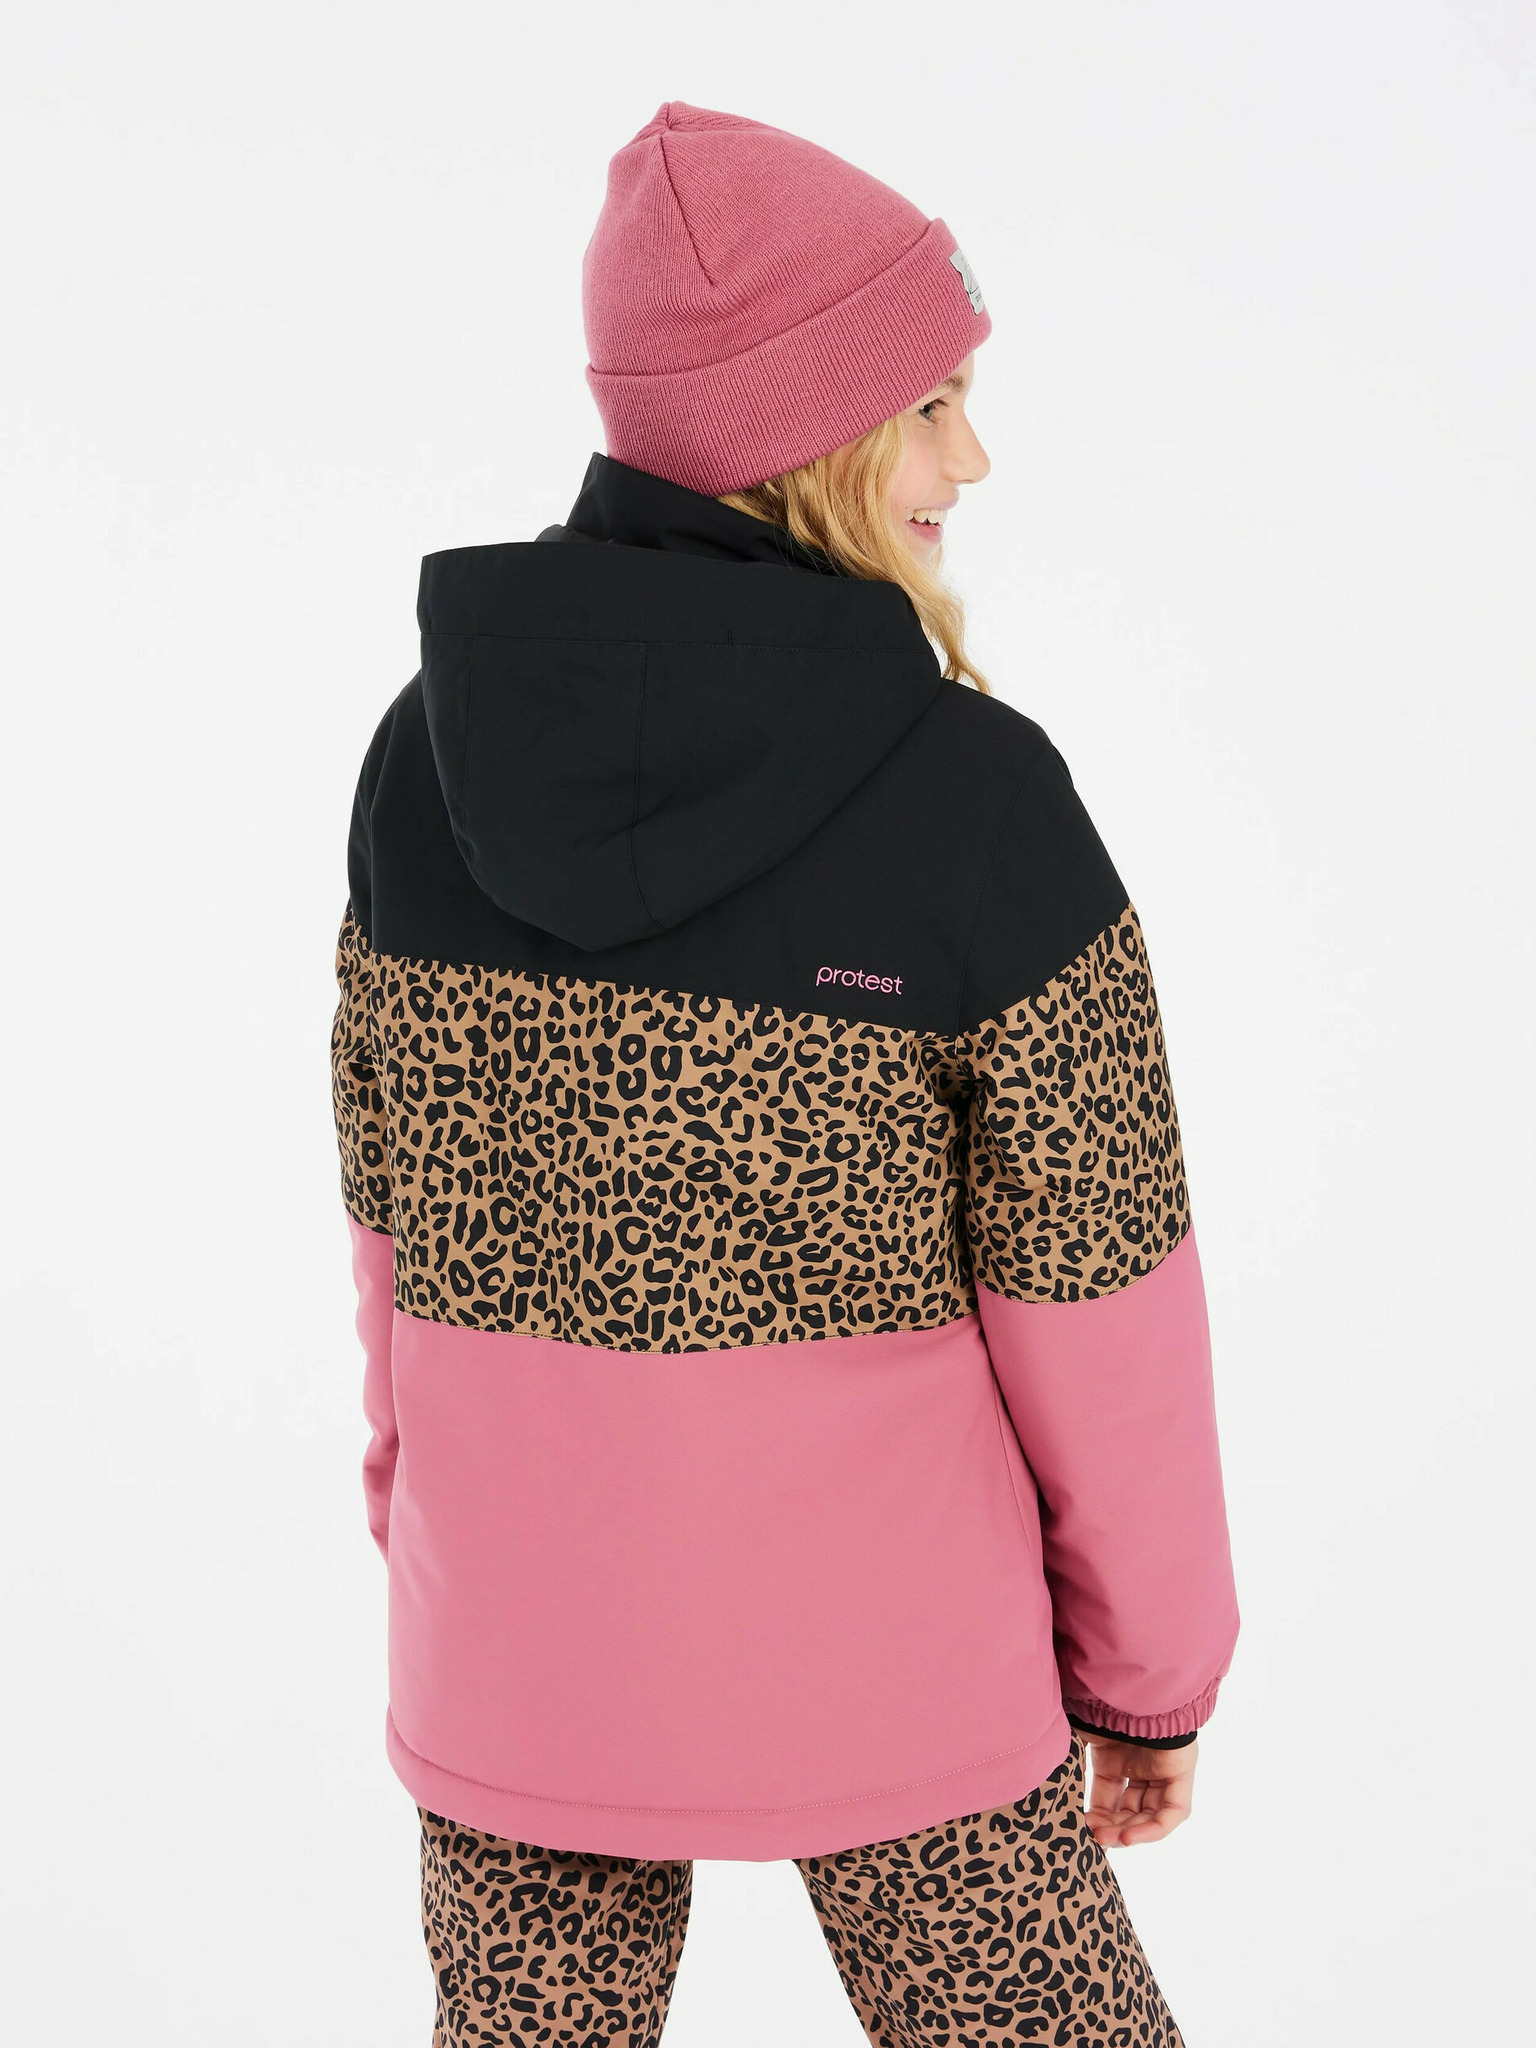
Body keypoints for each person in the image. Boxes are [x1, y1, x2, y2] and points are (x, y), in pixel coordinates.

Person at [330, 99, 1240, 2047]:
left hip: (523, 1660)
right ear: (801, 435)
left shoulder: (429, 760)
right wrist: (1149, 1675)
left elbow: (392, 1224)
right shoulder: (977, 798)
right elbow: (1100, 1293)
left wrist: (433, 1543)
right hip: (901, 1682)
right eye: (932, 407)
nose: (972, 459)